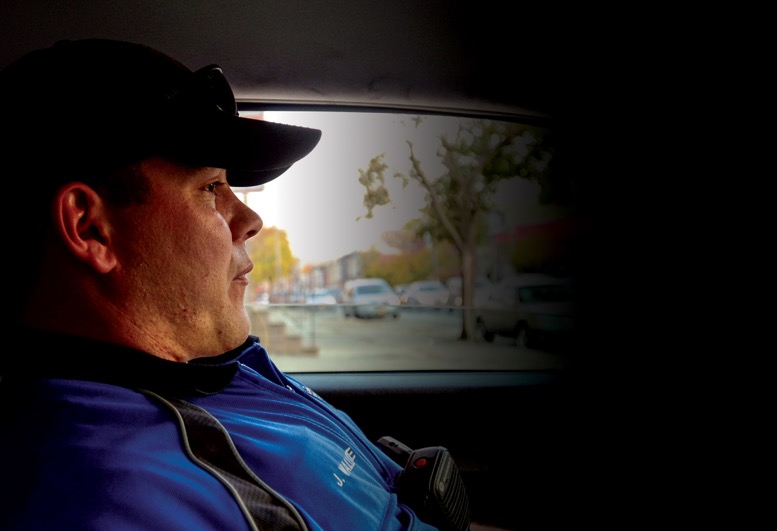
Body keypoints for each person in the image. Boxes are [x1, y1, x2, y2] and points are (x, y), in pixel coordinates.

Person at [0, 39, 469, 531]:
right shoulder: (114, 494)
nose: (250, 219)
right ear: (91, 229)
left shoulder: (207, 372)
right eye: (211, 188)